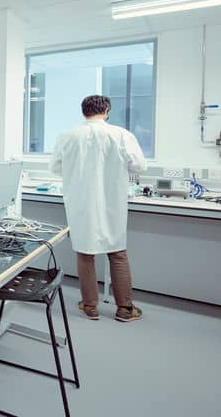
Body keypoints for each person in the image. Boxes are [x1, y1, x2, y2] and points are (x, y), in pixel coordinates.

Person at [50, 95, 147, 322]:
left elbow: (56, 168)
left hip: (81, 202)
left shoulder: (67, 136)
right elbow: (139, 166)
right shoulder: (121, 134)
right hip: (112, 201)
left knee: (85, 253)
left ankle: (90, 306)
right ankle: (125, 308)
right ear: (107, 111)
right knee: (117, 252)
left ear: (83, 111)